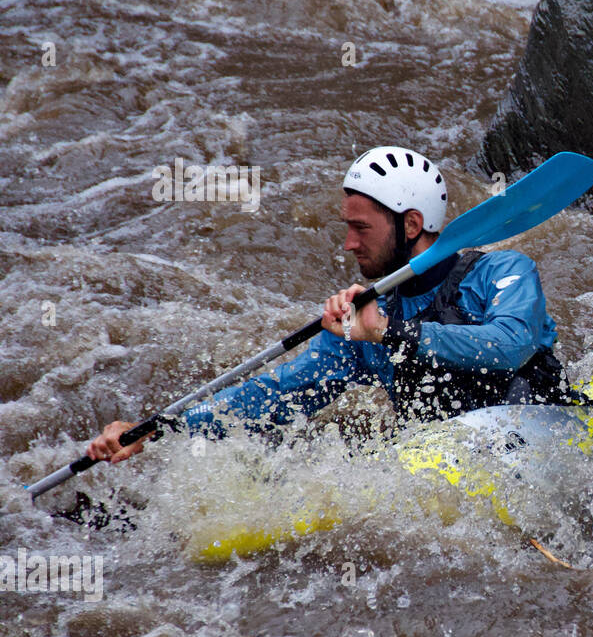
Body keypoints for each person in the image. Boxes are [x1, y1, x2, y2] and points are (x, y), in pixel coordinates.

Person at [88, 145, 568, 464]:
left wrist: (388, 333)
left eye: (361, 228)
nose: (347, 244)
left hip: (538, 431)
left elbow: (510, 344)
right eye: (347, 226)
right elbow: (276, 394)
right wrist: (157, 430)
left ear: (412, 224)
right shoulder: (364, 322)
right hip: (455, 460)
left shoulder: (503, 271)